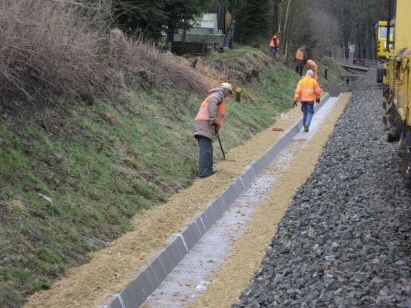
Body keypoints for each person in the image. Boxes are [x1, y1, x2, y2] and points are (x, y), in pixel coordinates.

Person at [194, 82, 233, 178]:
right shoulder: (218, 94)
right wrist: (212, 117)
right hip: (204, 123)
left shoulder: (218, 94)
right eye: (229, 93)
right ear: (226, 91)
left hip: (206, 124)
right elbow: (212, 101)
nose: (228, 95)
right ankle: (203, 172)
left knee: (208, 149)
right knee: (205, 150)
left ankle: (209, 170)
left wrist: (216, 130)